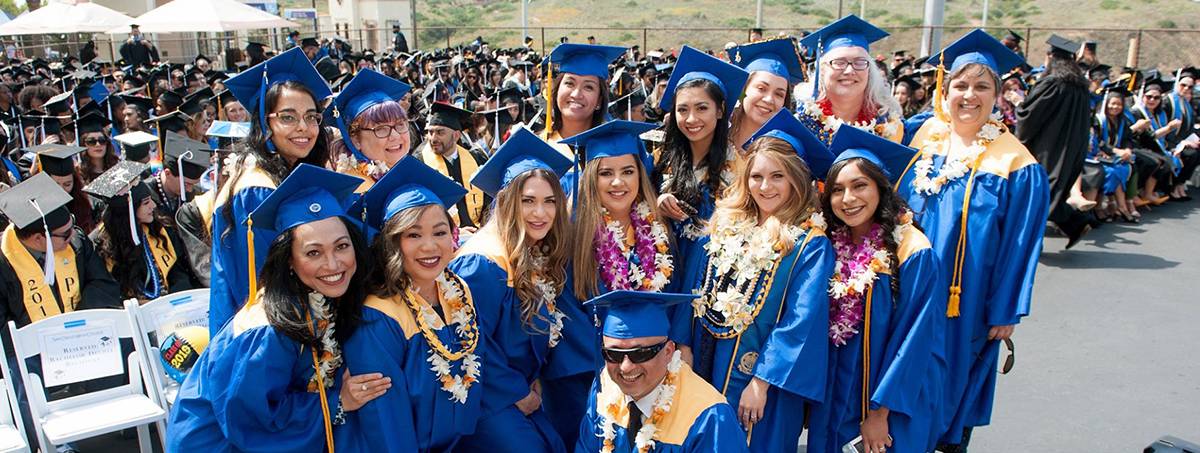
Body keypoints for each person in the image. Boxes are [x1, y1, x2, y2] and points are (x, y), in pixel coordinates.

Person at [894, 30, 1050, 453]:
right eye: (960, 84)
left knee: (948, 384)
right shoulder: (922, 136)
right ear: (944, 88)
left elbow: (1020, 244)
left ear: (998, 94)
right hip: (907, 289)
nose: (968, 95)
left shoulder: (1015, 162)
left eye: (982, 86)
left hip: (964, 302)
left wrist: (1005, 311)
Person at [168, 164, 389, 452]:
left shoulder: (319, 296)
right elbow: (253, 421)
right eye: (313, 252)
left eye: (341, 246)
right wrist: (338, 401)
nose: (334, 264)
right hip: (217, 443)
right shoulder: (266, 332)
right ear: (288, 260)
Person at [676, 110, 835, 452]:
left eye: (778, 176)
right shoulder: (723, 225)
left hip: (762, 380)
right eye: (757, 176)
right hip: (704, 364)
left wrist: (761, 382)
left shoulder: (809, 243)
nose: (765, 187)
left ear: (797, 179)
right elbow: (691, 288)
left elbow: (800, 322)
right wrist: (684, 347)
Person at [807, 126, 947, 453]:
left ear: (882, 189)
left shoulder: (913, 251)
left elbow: (915, 340)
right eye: (838, 189)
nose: (848, 199)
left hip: (892, 398)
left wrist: (878, 413)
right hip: (839, 388)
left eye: (860, 186)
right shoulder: (832, 242)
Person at [546, 120, 676, 446]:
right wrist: (614, 362)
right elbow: (564, 310)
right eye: (606, 173)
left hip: (651, 372)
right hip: (584, 375)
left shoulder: (658, 231)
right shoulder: (572, 235)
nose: (618, 182)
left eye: (628, 171)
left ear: (640, 174)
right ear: (591, 177)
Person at [338, 157, 480, 451]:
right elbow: (385, 423)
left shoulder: (458, 290)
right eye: (413, 235)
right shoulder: (378, 315)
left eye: (440, 232)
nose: (430, 246)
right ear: (392, 242)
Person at [449, 128, 574, 453]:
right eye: (528, 201)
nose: (540, 213)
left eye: (549, 201)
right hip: (486, 399)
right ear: (505, 201)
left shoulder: (529, 250)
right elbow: (471, 344)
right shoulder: (483, 263)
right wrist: (517, 392)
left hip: (517, 391)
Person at [207, 47, 333, 336]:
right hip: (264, 334)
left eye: (311, 116)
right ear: (265, 124)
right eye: (288, 117)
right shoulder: (256, 190)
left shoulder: (285, 173)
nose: (305, 127)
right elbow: (267, 283)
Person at [0, 174, 121, 452]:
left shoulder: (76, 244)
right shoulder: (3, 261)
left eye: (73, 228)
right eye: (64, 234)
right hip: (27, 348)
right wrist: (36, 340)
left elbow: (102, 283)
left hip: (78, 332)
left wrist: (75, 326)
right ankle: (56, 445)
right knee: (21, 374)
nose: (73, 236)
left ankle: (129, 423)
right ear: (38, 238)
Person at [575, 291, 750, 453]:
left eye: (641, 353)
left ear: (668, 352)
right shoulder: (605, 387)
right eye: (613, 354)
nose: (625, 367)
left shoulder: (709, 417)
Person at [652, 46, 748, 267]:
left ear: (721, 110)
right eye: (682, 109)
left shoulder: (739, 167)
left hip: (713, 272)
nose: (691, 119)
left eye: (702, 108)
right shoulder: (660, 158)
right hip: (665, 269)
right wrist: (658, 202)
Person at [1016, 34, 1093, 248]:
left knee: (1039, 194)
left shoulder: (1052, 83)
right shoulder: (1080, 86)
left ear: (1051, 58)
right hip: (1071, 149)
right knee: (1051, 192)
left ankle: (1033, 243)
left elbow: (1029, 115)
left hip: (1048, 149)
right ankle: (1076, 223)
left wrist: (1017, 104)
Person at [85, 161, 198, 302]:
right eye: (146, 203)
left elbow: (178, 272)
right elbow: (104, 289)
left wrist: (175, 298)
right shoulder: (99, 244)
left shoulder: (160, 229)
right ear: (128, 209)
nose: (153, 205)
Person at [796, 15, 904, 145]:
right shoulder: (802, 125)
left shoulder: (890, 125)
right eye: (839, 62)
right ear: (822, 69)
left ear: (869, 71)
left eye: (860, 62)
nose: (849, 71)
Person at [328, 69, 413, 192]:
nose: (395, 135)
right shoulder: (354, 192)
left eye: (400, 124)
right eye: (381, 129)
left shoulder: (412, 173)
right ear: (355, 139)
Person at [725, 38, 805, 155]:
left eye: (779, 94)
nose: (769, 99)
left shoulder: (784, 154)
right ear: (743, 89)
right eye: (761, 88)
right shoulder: (713, 137)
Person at [416, 102, 490, 230]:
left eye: (440, 132)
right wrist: (455, 233)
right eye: (430, 132)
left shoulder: (476, 158)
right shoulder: (420, 163)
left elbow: (488, 200)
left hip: (478, 232)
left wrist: (484, 229)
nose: (433, 138)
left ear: (456, 135)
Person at [542, 44, 626, 156]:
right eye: (569, 83)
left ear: (599, 101)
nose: (576, 94)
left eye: (588, 87)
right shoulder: (538, 147)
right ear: (556, 91)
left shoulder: (617, 150)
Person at [1089, 86, 1139, 223]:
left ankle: (1115, 206)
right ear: (1106, 104)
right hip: (1099, 155)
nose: (1115, 107)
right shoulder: (1098, 120)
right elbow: (1097, 142)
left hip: (1113, 156)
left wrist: (1127, 150)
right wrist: (1115, 151)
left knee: (1124, 167)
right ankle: (1113, 207)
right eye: (1113, 103)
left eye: (1119, 104)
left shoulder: (1123, 121)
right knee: (1113, 171)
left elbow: (1128, 139)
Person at [29, 144, 96, 234]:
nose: (62, 190)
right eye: (56, 185)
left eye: (67, 184)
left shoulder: (83, 205)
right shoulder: (34, 209)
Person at [148, 133, 211, 219]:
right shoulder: (147, 195)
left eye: (193, 184)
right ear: (168, 173)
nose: (189, 190)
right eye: (186, 183)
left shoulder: (195, 194)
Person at [74, 112, 119, 184]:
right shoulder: (78, 174)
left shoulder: (118, 167)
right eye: (91, 141)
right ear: (83, 145)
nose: (98, 145)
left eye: (102, 140)